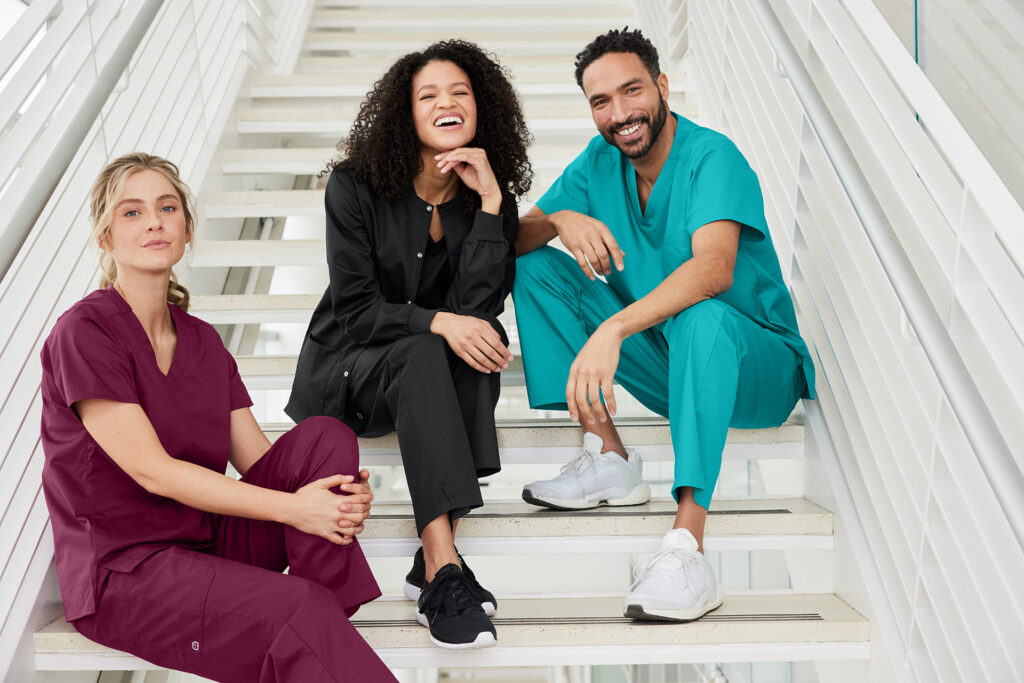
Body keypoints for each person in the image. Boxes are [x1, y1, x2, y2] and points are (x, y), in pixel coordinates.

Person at [39, 153, 397, 682]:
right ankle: (316, 624)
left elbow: (261, 461)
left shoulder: (203, 340)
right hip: (126, 572)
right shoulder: (85, 332)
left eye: (167, 207)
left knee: (325, 438)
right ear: (105, 236)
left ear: (186, 228)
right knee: (297, 610)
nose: (155, 221)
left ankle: (326, 615)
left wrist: (329, 500)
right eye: (132, 213)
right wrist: (298, 511)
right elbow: (152, 471)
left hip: (210, 545)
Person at [513, 28, 815, 623]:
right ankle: (609, 456)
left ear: (662, 85)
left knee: (702, 315)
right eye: (601, 102)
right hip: (670, 362)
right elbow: (518, 236)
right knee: (536, 269)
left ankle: (688, 549)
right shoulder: (598, 164)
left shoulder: (712, 156)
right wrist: (563, 219)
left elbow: (714, 269)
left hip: (758, 366)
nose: (620, 113)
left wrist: (611, 331)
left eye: (631, 91)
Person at [285, 40, 531, 649]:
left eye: (460, 93)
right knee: (435, 341)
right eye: (429, 95)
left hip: (422, 380)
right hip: (348, 372)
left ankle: (434, 568)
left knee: (481, 336)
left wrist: (495, 204)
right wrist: (439, 323)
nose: (447, 103)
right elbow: (358, 310)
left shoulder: (487, 200)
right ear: (407, 114)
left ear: (482, 109)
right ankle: (444, 563)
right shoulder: (353, 187)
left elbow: (477, 308)